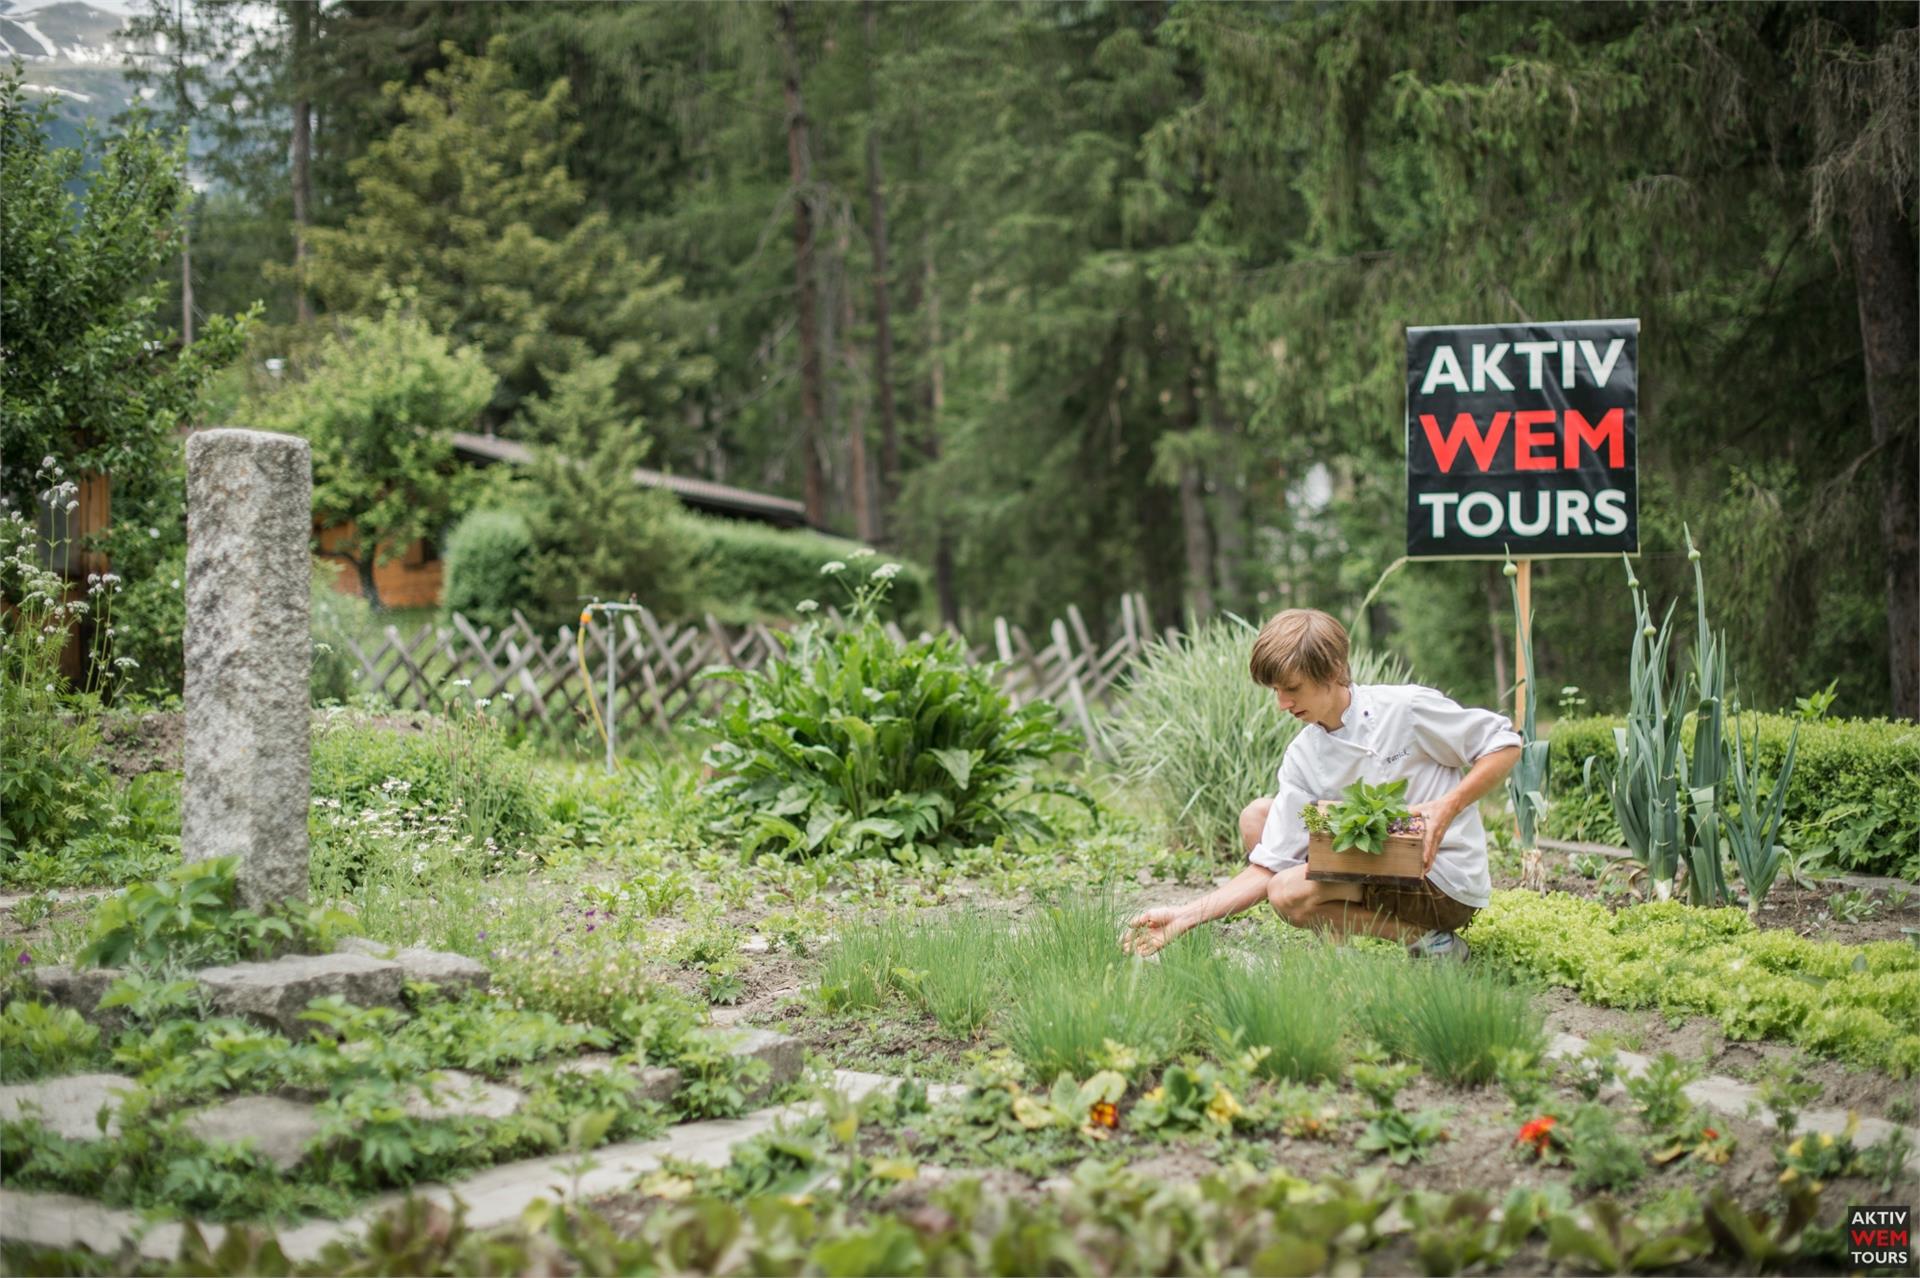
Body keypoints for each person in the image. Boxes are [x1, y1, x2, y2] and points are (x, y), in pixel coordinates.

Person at [1123, 608, 1521, 962]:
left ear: (1332, 671)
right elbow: (1268, 866)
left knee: (1287, 890)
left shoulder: (1405, 710)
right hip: (1379, 868)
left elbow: (1504, 744)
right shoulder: (1304, 754)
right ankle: (1424, 942)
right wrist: (1183, 916)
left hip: (1443, 880)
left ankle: (1432, 937)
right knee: (1259, 819)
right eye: (1275, 691)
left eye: (1291, 688)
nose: (1282, 704)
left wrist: (1446, 806)